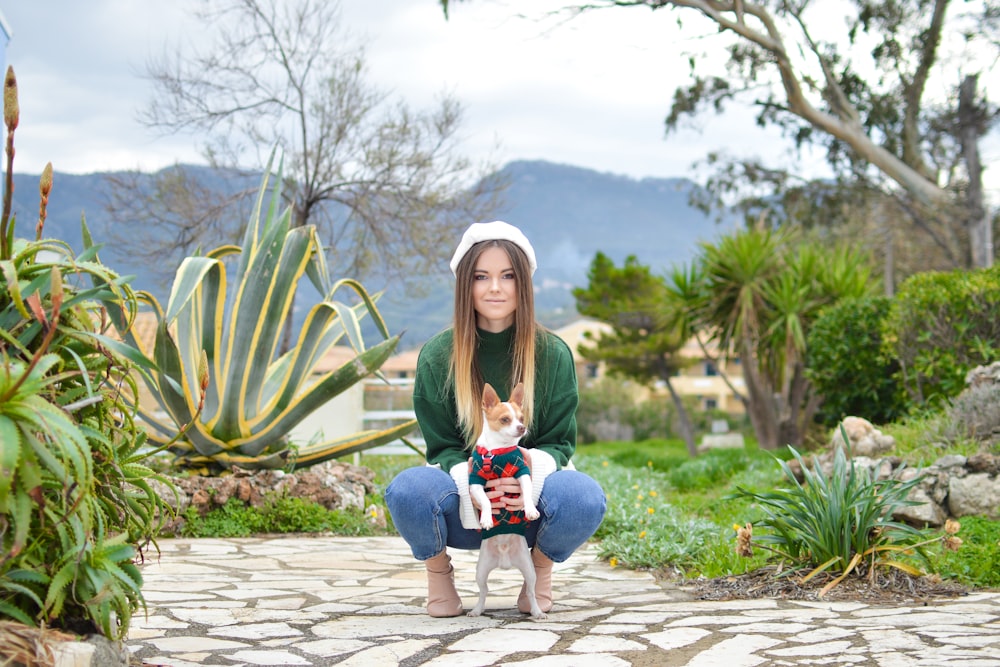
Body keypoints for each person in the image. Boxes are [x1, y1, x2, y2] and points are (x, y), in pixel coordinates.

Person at [384, 220, 607, 618]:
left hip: (530, 506)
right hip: (467, 509)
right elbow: (442, 447)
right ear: (464, 285)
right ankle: (439, 577)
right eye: (481, 276)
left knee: (583, 496)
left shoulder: (552, 354)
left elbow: (559, 444)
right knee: (408, 490)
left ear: (524, 282)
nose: (495, 288)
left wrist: (516, 479)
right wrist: (481, 481)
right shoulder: (438, 356)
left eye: (507, 276)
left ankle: (537, 577)